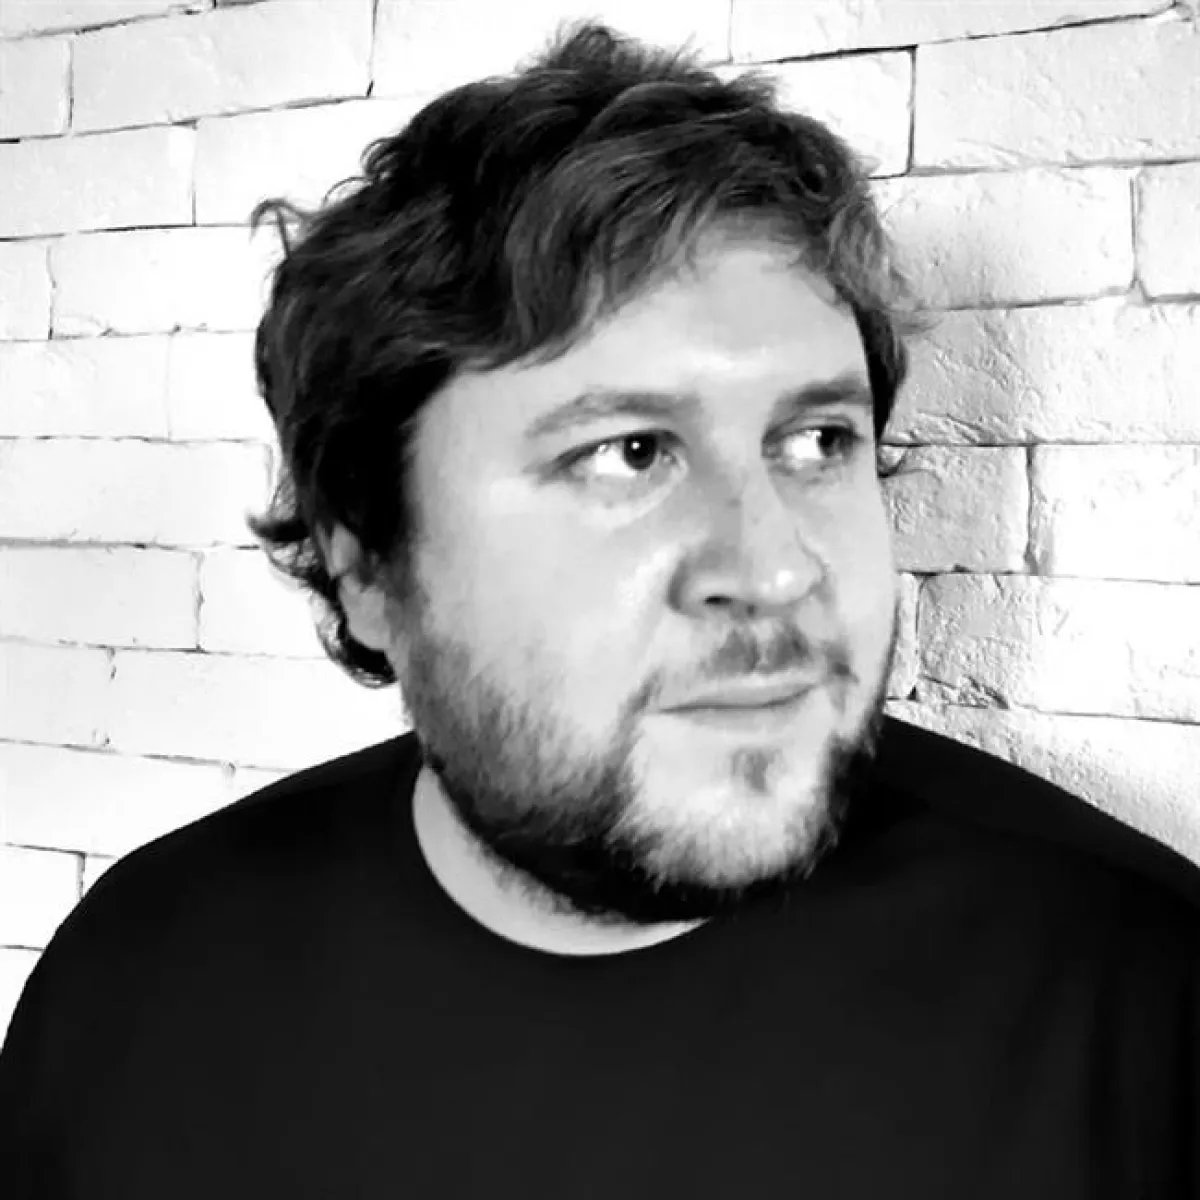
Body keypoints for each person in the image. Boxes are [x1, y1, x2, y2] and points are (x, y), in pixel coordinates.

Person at [1, 22, 1197, 1199]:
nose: (773, 568)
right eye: (629, 452)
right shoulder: (142, 979)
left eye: (818, 441)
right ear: (367, 571)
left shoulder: (1136, 1009)